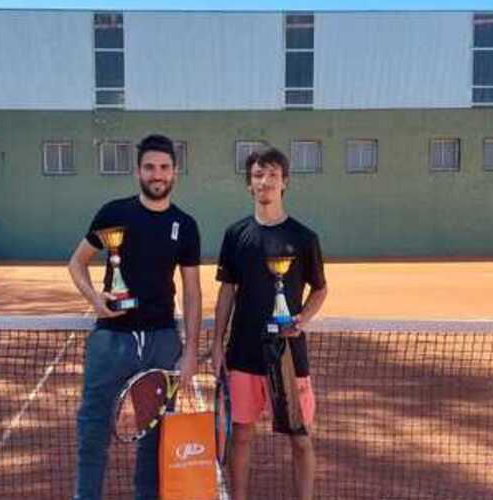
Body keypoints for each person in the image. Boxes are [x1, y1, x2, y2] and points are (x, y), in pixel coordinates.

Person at [68, 134, 202, 500]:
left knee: (154, 437)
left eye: (164, 167)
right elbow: (76, 263)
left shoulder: (185, 225)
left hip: (162, 342)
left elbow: (192, 292)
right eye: (149, 167)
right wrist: (96, 299)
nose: (157, 175)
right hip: (111, 341)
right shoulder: (114, 213)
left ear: (175, 172)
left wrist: (190, 351)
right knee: (93, 432)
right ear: (138, 172)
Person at [212, 147, 328, 500]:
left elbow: (320, 289)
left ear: (284, 182)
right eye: (258, 175)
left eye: (272, 175)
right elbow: (227, 292)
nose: (265, 181)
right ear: (250, 185)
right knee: (242, 434)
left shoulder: (304, 238)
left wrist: (302, 319)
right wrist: (217, 344)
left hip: (289, 354)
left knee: (301, 437)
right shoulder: (236, 235)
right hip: (243, 352)